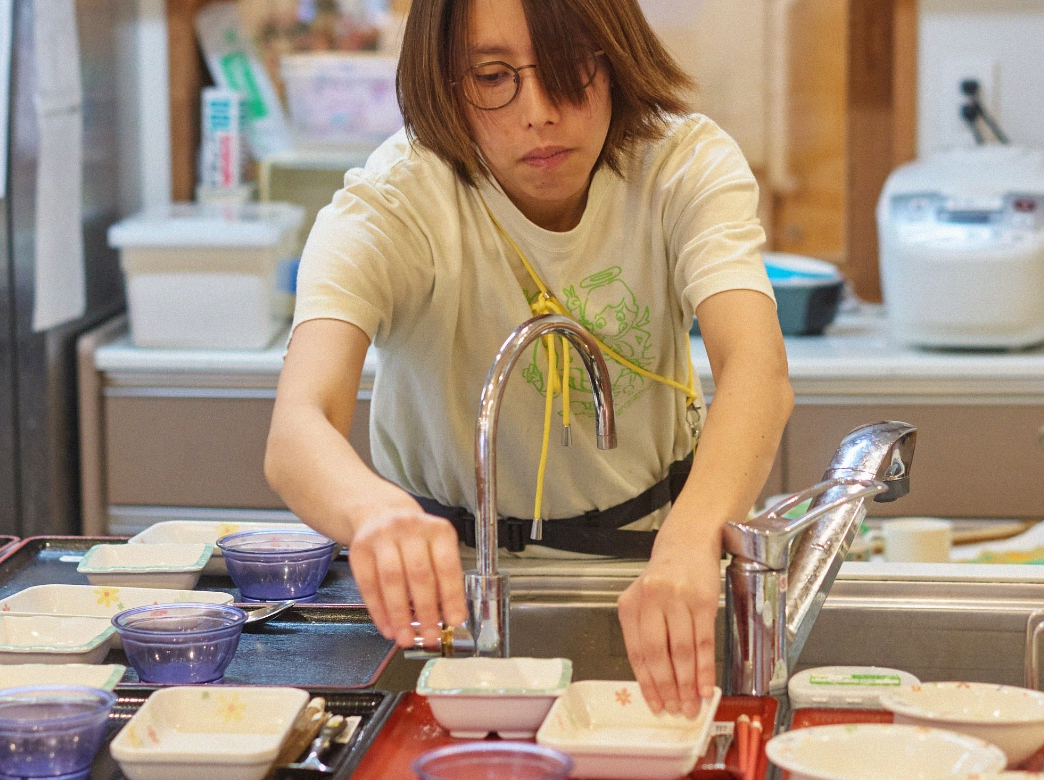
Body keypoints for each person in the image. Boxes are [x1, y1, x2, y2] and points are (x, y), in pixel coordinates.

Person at [265, 0, 793, 717]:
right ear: (443, 82)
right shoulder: (397, 201)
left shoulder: (680, 166)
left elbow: (757, 372)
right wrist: (374, 514)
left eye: (570, 68)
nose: (539, 113)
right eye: (492, 77)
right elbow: (299, 425)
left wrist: (691, 540)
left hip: (655, 568)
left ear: (618, 57)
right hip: (441, 597)